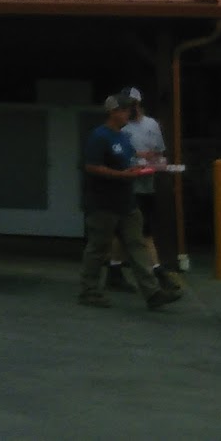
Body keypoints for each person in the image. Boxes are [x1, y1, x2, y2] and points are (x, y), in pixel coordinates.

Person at [78, 91, 183, 310]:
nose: (129, 113)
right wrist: (121, 175)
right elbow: (91, 166)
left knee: (137, 245)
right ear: (113, 112)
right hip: (103, 203)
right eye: (125, 109)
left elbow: (129, 161)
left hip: (127, 202)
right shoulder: (100, 137)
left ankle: (152, 293)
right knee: (98, 247)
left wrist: (138, 169)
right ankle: (89, 291)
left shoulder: (124, 137)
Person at [107, 86, 171, 289]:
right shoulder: (121, 128)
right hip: (127, 185)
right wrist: (136, 158)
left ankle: (115, 270)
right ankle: (156, 272)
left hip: (146, 185)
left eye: (131, 105)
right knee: (137, 231)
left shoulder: (152, 124)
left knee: (138, 230)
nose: (128, 109)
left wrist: (156, 162)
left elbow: (159, 153)